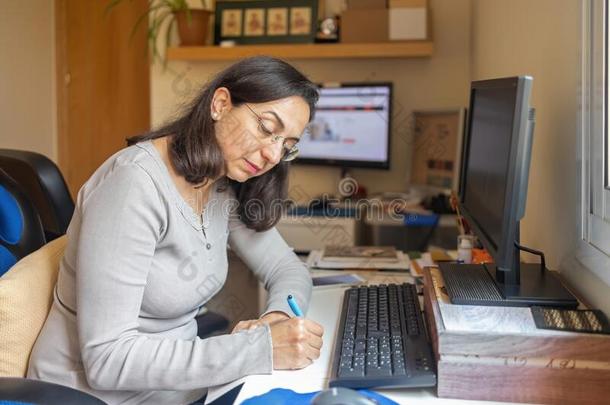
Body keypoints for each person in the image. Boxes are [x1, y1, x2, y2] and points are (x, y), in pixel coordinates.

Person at [27, 56, 324, 404]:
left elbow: (286, 269)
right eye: (266, 128)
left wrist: (275, 320)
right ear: (221, 104)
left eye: (287, 146)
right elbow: (107, 359)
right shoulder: (133, 185)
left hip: (178, 388)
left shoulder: (220, 184)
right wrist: (256, 349)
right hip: (95, 396)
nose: (273, 154)